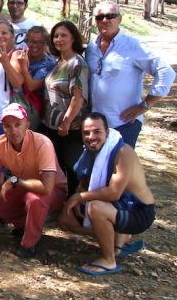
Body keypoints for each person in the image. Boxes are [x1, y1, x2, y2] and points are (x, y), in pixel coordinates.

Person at [58, 113, 156, 275]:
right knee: (64, 220)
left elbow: (114, 192)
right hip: (119, 206)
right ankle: (118, 239)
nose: (91, 137)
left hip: (139, 211)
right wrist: (74, 201)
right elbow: (84, 181)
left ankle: (109, 259)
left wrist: (79, 198)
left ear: (107, 132)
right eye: (86, 133)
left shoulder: (122, 152)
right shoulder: (91, 150)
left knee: (96, 208)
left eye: (97, 132)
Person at [0, 103, 67, 258]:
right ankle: (23, 224)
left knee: (34, 199)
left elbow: (47, 187)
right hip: (22, 185)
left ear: (27, 124)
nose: (13, 130)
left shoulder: (43, 143)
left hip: (53, 189)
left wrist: (15, 181)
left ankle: (30, 244)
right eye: (8, 126)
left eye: (18, 124)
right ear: (2, 127)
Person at [84, 1, 175, 147]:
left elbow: (166, 71)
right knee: (93, 169)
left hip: (123, 124)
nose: (105, 20)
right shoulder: (91, 47)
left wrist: (145, 105)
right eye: (100, 17)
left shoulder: (133, 46)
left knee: (120, 169)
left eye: (111, 16)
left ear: (120, 19)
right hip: (95, 126)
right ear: (95, 21)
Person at [41, 21, 90, 196]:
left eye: (63, 35)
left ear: (73, 38)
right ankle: (59, 203)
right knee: (57, 166)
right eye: (55, 36)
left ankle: (74, 206)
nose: (59, 39)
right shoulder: (58, 61)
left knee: (73, 168)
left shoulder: (77, 64)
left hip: (70, 127)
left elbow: (78, 97)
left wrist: (66, 122)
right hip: (52, 125)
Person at [14, 25, 55, 130]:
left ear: (45, 43)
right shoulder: (22, 54)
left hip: (33, 110)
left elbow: (32, 86)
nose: (34, 45)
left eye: (39, 42)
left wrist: (23, 66)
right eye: (31, 41)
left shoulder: (48, 63)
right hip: (15, 106)